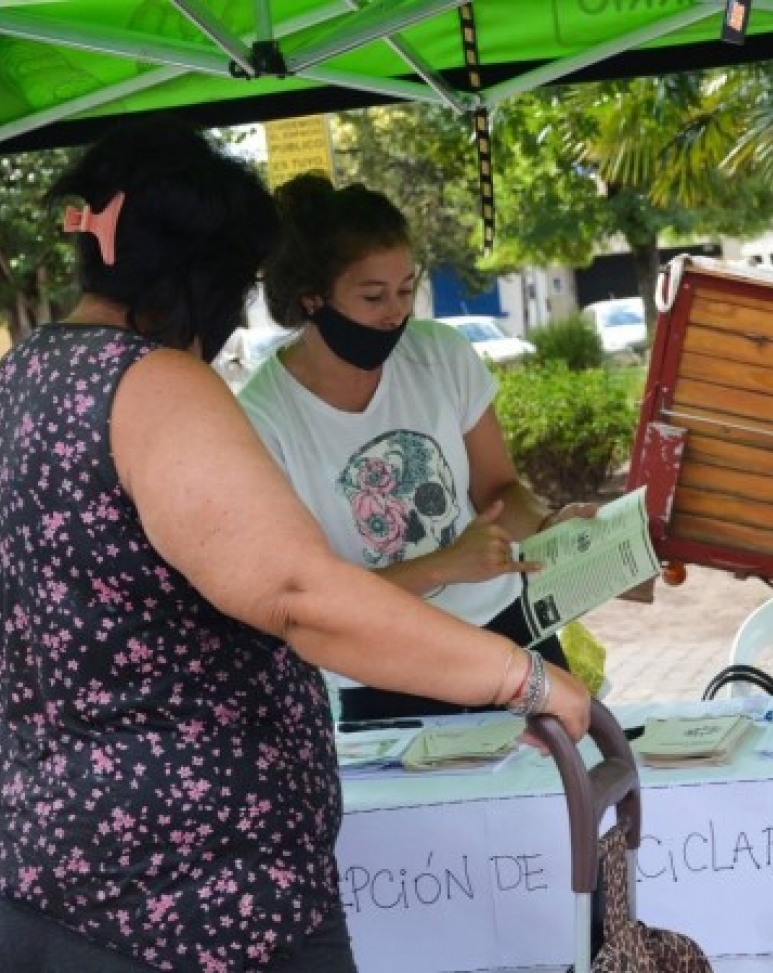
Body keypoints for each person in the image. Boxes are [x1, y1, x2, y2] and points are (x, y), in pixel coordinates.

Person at [0, 117, 590, 973]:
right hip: (175, 897)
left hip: (7, 870)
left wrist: (59, 669)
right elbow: (299, 595)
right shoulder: (155, 381)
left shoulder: (21, 380)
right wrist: (521, 676)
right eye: (239, 286)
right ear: (199, 278)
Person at [239, 173, 599, 722]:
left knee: (555, 796)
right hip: (379, 666)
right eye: (373, 296)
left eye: (406, 289)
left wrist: (553, 525)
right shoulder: (264, 417)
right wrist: (444, 566)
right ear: (312, 298)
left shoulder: (441, 355)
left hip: (507, 633)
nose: (396, 313)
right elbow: (309, 599)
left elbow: (501, 492)